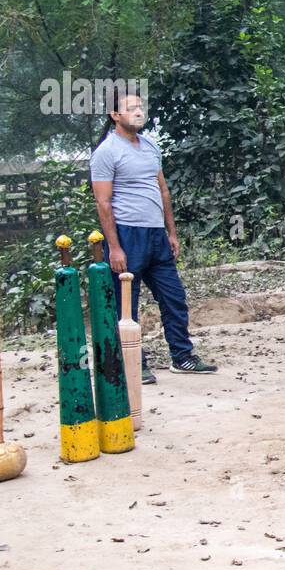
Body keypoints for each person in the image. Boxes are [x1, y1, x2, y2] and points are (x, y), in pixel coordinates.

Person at [90, 93, 217, 381]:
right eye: (130, 108)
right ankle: (133, 363)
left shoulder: (150, 146)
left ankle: (182, 356)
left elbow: (163, 191)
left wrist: (171, 232)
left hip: (156, 235)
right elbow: (103, 203)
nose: (138, 112)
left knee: (174, 297)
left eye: (140, 107)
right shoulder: (106, 152)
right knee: (126, 305)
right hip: (127, 234)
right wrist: (114, 247)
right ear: (114, 114)